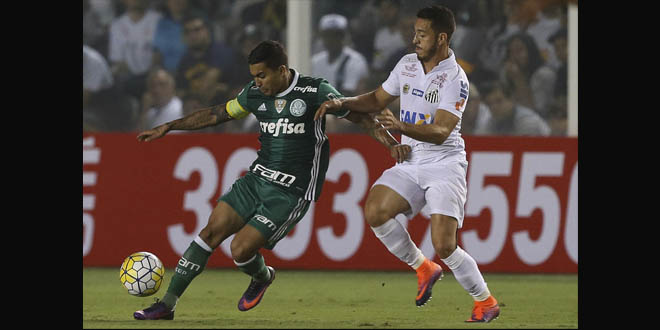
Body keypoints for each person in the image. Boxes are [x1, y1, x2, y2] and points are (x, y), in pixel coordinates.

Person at [133, 40, 401, 320]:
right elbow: (217, 113)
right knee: (210, 233)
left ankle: (262, 276)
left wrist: (391, 143)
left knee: (240, 250)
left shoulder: (315, 91)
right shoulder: (253, 95)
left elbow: (359, 117)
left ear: (282, 70)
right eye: (254, 77)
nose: (257, 82)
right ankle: (167, 304)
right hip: (256, 179)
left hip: (291, 191)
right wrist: (171, 126)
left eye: (262, 75)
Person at [315, 5, 500, 323]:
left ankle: (486, 301)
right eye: (414, 32)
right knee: (375, 211)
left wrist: (399, 127)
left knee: (444, 245)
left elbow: (442, 132)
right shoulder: (407, 65)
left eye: (422, 34)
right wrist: (341, 102)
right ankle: (423, 268)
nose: (415, 39)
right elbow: (375, 100)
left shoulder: (455, 79)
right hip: (412, 161)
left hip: (444, 163)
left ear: (441, 38)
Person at [175, 13, 235, 109]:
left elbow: (206, 85)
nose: (193, 35)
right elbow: (179, 92)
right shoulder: (185, 60)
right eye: (187, 32)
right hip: (194, 110)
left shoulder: (221, 51)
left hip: (223, 108)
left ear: (207, 30)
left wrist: (192, 94)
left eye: (197, 30)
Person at [108, 0, 162, 99]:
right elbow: (118, 60)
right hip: (129, 76)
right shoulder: (117, 25)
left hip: (155, 73)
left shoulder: (158, 19)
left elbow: (160, 53)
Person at [479, 79, 551, 136]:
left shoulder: (528, 121)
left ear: (512, 99)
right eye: (490, 104)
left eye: (499, 101)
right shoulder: (492, 122)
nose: (494, 107)